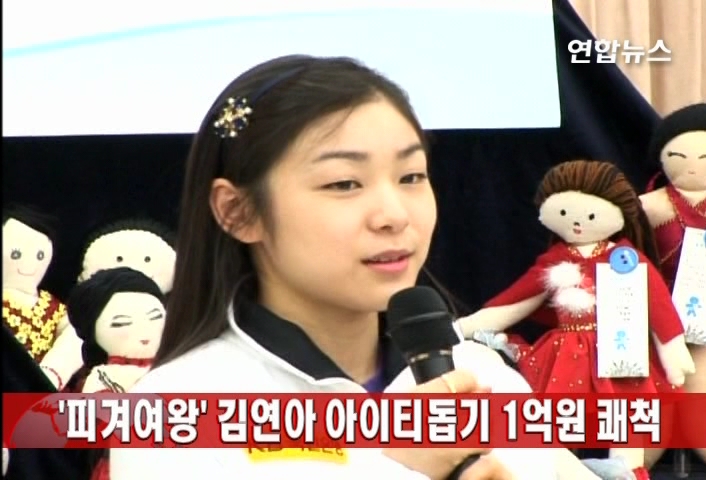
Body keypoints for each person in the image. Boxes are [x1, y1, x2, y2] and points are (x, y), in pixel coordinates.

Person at [109, 54, 562, 480]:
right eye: (344, 183)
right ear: (238, 211)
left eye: (411, 177)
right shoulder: (176, 408)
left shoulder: (480, 375)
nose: (394, 215)